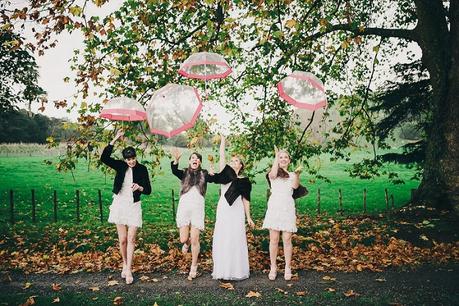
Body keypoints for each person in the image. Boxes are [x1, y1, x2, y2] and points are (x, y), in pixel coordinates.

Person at [100, 130, 151, 284]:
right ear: (125, 159)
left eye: (133, 158)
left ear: (136, 157)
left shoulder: (142, 169)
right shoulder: (120, 166)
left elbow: (148, 190)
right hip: (120, 203)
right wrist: (114, 139)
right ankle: (124, 263)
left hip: (134, 205)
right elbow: (104, 158)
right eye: (128, 159)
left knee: (131, 238)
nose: (131, 161)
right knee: (122, 240)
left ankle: (129, 269)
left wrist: (140, 188)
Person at [210, 135, 255, 280]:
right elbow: (222, 155)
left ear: (241, 165)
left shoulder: (245, 181)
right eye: (232, 160)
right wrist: (223, 140)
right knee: (223, 237)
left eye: (236, 161)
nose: (233, 162)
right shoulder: (226, 173)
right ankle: (223, 270)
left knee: (236, 237)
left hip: (237, 211)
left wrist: (249, 217)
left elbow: (246, 200)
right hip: (224, 208)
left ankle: (236, 270)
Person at [170, 148, 215, 279]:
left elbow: (213, 178)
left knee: (195, 239)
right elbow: (174, 171)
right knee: (184, 238)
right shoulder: (184, 172)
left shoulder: (204, 173)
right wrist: (175, 161)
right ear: (190, 161)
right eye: (193, 158)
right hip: (184, 207)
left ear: (200, 162)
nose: (195, 159)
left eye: (197, 158)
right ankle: (186, 243)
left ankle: (194, 266)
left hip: (197, 208)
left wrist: (212, 172)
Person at [262, 147, 300, 281]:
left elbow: (295, 187)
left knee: (287, 239)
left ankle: (288, 267)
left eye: (285, 157)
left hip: (287, 208)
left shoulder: (293, 175)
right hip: (274, 208)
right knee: (274, 239)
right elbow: (272, 174)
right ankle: (273, 267)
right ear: (277, 160)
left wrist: (298, 174)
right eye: (280, 157)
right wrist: (276, 156)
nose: (283, 159)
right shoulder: (272, 173)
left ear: (289, 161)